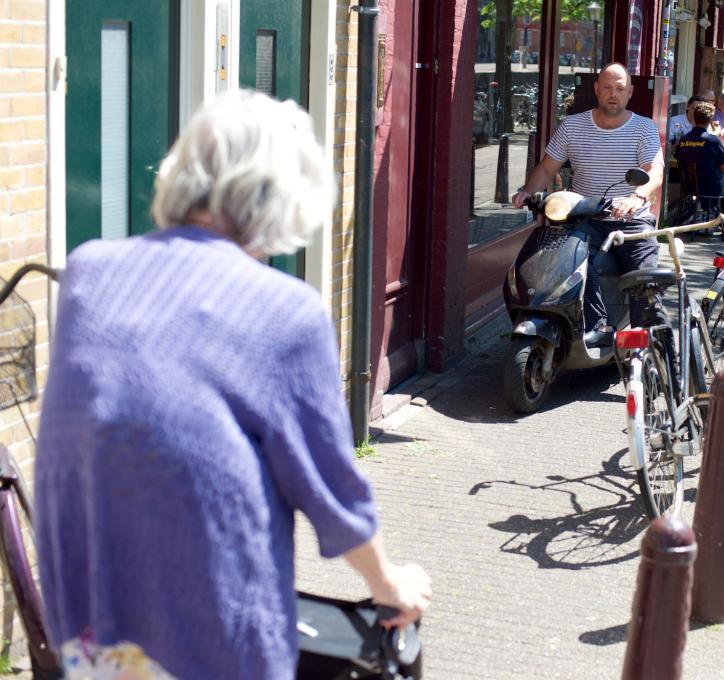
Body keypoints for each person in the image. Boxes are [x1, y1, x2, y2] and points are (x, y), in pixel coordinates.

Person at [34, 90, 432, 679]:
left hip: (94, 637)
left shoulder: (88, 272)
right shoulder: (285, 311)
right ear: (286, 197)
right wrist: (391, 583)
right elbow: (332, 494)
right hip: (210, 643)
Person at [511, 62, 663, 348]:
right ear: (596, 89)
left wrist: (636, 197)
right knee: (571, 261)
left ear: (630, 92)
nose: (613, 94)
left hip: (632, 220)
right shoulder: (572, 125)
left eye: (620, 89)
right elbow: (547, 167)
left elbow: (654, 171)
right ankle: (598, 324)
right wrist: (527, 191)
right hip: (586, 218)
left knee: (644, 281)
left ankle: (651, 350)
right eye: (607, 87)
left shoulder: (643, 128)